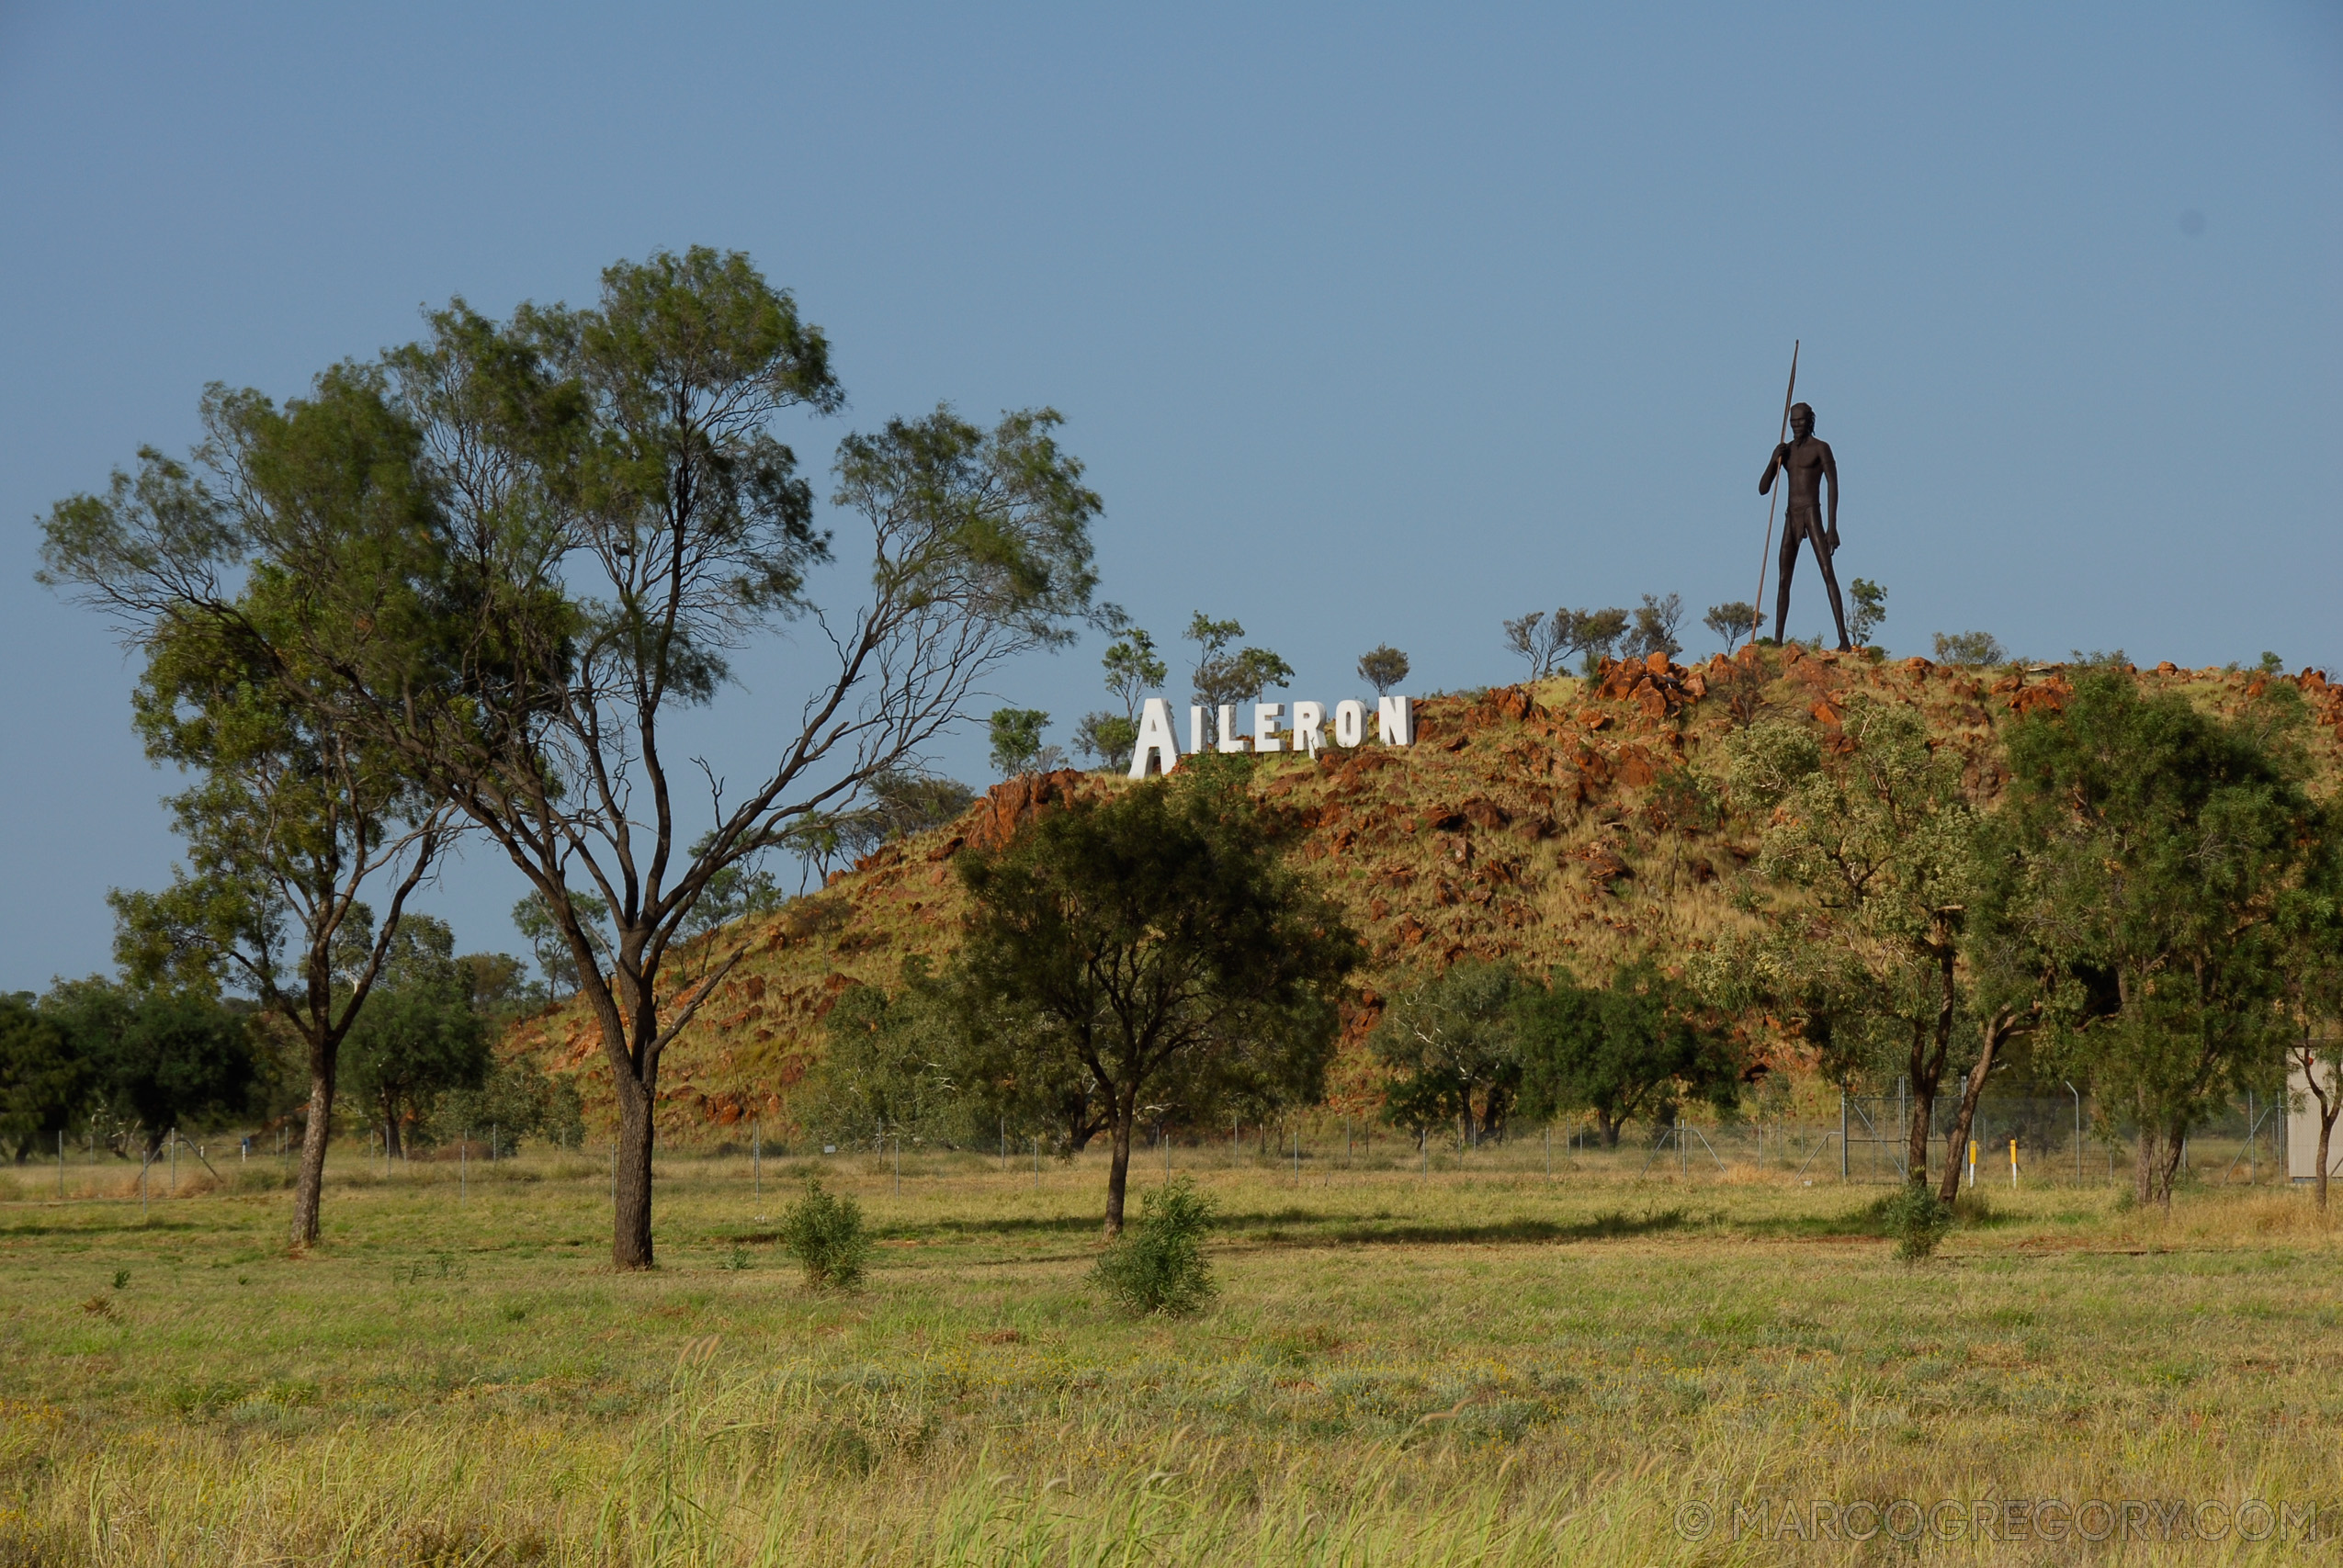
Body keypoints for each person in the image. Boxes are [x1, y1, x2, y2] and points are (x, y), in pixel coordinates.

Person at [1759, 401, 1850, 649]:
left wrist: (1832, 527)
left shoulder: (1821, 448)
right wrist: (1773, 459)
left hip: (1812, 511)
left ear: (1810, 421)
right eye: (1793, 422)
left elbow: (1833, 485)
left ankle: (1843, 639)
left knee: (1828, 573)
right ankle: (1778, 641)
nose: (1796, 426)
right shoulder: (1786, 451)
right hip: (1791, 515)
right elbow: (1763, 489)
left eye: (1800, 421)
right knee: (1783, 579)